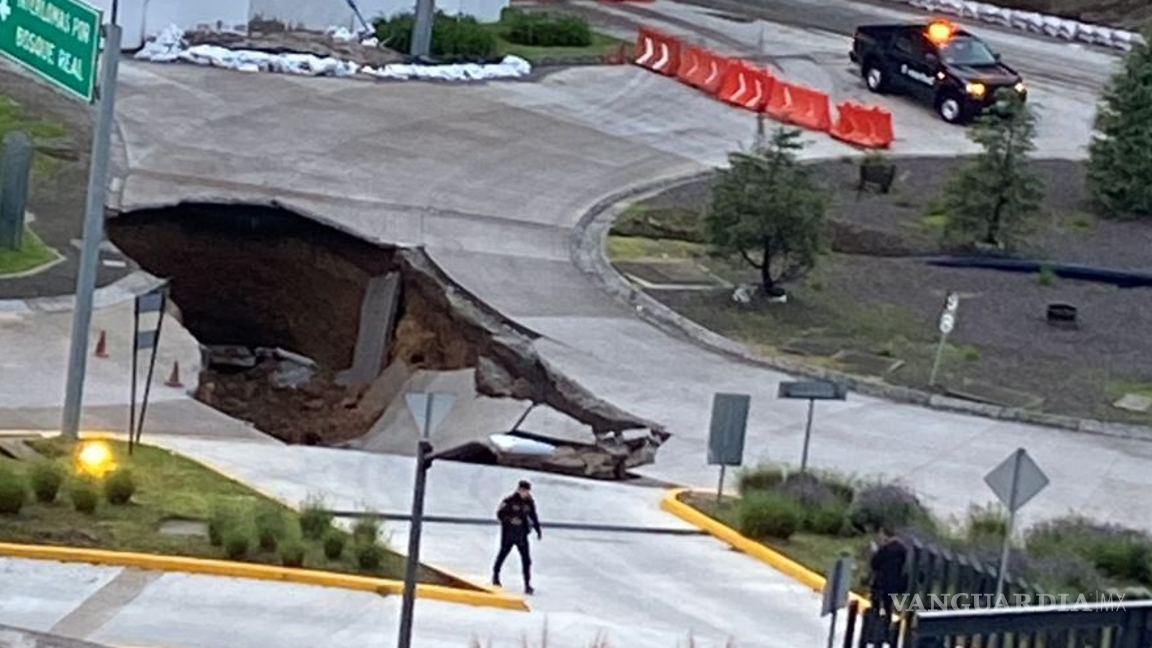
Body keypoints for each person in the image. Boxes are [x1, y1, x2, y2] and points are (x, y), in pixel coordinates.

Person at [492, 480, 542, 594]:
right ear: (519, 489)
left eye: (527, 491)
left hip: (522, 535)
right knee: (502, 555)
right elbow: (500, 514)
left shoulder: (529, 503)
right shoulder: (509, 501)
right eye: (523, 490)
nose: (525, 493)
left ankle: (527, 584)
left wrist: (537, 528)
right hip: (509, 534)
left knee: (526, 560)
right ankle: (495, 575)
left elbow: (533, 515)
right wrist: (510, 520)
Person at [868, 524, 908, 643]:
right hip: (893, 585)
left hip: (880, 584)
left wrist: (875, 552)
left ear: (884, 534)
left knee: (876, 607)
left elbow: (875, 564)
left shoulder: (884, 549)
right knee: (888, 608)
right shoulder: (902, 549)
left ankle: (874, 632)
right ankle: (886, 632)